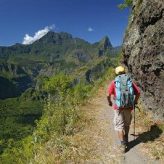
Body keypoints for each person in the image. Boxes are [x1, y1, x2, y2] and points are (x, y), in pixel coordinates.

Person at [107, 66, 140, 153]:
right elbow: (138, 92)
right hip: (129, 107)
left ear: (116, 73)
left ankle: (123, 145)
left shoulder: (114, 82)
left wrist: (109, 102)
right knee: (126, 124)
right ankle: (126, 138)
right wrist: (135, 102)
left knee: (119, 126)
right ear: (124, 72)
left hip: (118, 108)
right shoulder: (130, 82)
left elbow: (108, 94)